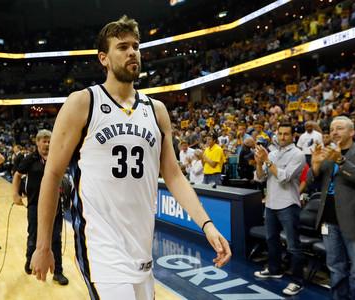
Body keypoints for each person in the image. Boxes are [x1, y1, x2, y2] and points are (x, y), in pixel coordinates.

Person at [30, 15, 231, 300]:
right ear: (104, 58)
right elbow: (51, 175)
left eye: (135, 46)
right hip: (100, 247)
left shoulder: (156, 110)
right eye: (122, 47)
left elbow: (173, 175)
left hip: (141, 248)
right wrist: (42, 246)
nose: (132, 52)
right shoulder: (83, 103)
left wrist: (207, 225)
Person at [307, 116, 355, 300]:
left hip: (354, 221)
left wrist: (341, 161)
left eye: (339, 128)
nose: (334, 132)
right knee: (335, 268)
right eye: (332, 129)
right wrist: (314, 165)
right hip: (328, 221)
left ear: (352, 132)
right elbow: (311, 183)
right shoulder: (328, 154)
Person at [253, 122, 306, 296]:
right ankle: (275, 269)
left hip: (288, 204)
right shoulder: (273, 153)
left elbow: (284, 177)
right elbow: (260, 178)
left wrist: (267, 160)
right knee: (271, 240)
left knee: (293, 245)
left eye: (286, 134)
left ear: (293, 136)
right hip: (270, 203)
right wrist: (259, 163)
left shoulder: (298, 154)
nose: (282, 137)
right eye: (280, 133)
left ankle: (298, 281)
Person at [12, 130, 68, 285]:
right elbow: (17, 175)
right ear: (37, 142)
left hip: (55, 204)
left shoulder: (57, 158)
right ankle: (30, 260)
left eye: (49, 141)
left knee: (56, 238)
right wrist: (15, 194)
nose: (47, 144)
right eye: (44, 141)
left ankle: (58, 272)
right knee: (33, 235)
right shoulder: (30, 159)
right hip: (35, 204)